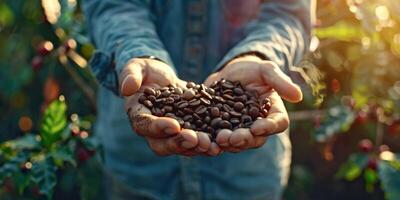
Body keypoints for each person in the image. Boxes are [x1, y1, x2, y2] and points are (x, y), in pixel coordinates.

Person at [82, 0, 312, 199]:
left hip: (245, 174)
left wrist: (258, 53)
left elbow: (288, 13)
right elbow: (112, 6)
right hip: (137, 165)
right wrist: (137, 52)